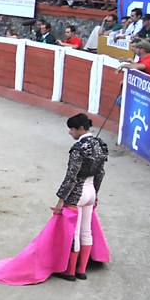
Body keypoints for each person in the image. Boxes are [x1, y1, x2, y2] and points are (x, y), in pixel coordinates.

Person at [50, 113, 107, 281]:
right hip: (91, 192)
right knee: (86, 231)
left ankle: (70, 272)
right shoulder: (100, 145)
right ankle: (81, 270)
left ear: (81, 129)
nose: (70, 132)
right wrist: (96, 193)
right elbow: (101, 172)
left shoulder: (78, 148)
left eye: (72, 129)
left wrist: (61, 199)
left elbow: (71, 177)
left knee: (75, 233)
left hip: (77, 195)